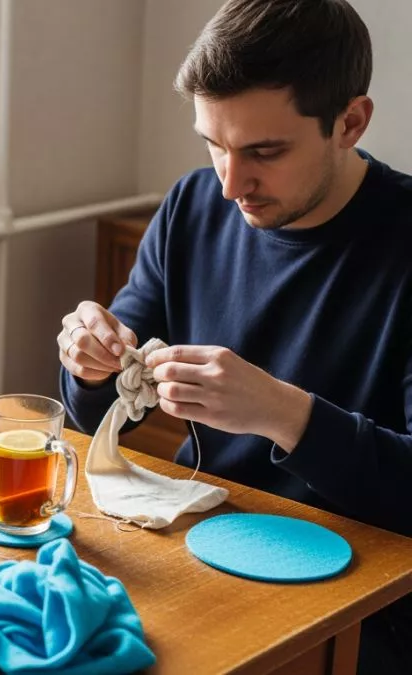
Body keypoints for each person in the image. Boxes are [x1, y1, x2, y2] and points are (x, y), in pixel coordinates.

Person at [57, 1, 409, 671]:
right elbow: (103, 418)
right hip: (208, 553)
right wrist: (90, 366)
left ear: (351, 122)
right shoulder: (191, 208)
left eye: (264, 151)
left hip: (369, 608)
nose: (230, 182)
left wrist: (285, 413)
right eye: (213, 143)